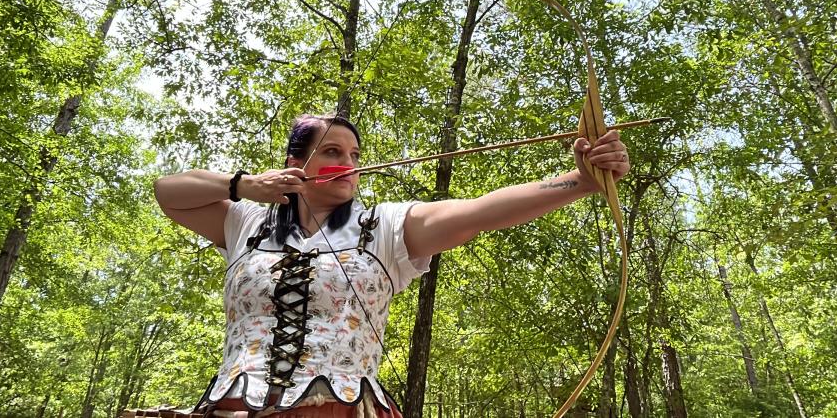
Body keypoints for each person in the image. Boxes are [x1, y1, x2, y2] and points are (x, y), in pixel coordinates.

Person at [153, 114, 630, 418]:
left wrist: (581, 180)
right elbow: (168, 190)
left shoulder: (382, 226)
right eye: (333, 152)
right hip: (236, 404)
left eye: (355, 156)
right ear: (295, 162)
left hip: (340, 409)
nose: (349, 164)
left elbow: (482, 210)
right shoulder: (248, 222)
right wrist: (245, 185)